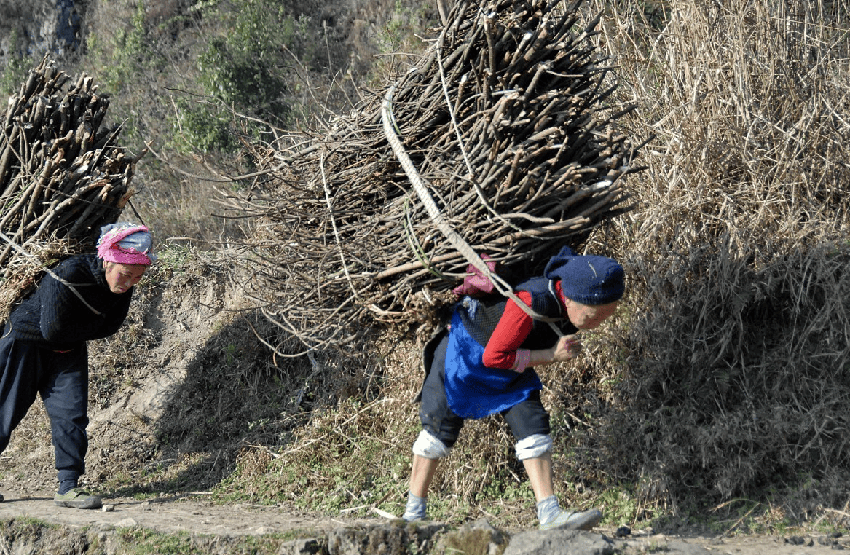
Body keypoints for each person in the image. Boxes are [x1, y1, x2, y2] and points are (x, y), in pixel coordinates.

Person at [401, 246, 624, 530]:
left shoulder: (571, 307)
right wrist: (551, 356)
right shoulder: (530, 301)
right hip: (465, 354)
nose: (598, 322)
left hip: (510, 361)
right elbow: (493, 356)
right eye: (594, 315)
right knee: (437, 428)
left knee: (531, 421)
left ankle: (550, 513)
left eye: (607, 315)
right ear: (570, 297)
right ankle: (412, 515)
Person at [0, 222, 156, 509]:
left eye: (137, 277)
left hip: (69, 349)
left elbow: (112, 326)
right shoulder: (70, 273)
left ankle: (68, 488)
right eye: (125, 274)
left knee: (71, 416)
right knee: (5, 412)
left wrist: (76, 332)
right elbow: (51, 329)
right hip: (25, 341)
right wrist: (83, 329)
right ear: (108, 260)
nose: (129, 283)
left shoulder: (124, 285)